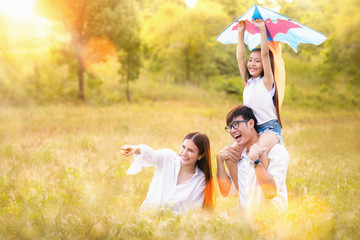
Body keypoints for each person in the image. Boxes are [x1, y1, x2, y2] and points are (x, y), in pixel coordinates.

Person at [217, 105, 289, 217]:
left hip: (273, 223)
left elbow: (271, 192)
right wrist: (220, 161)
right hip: (248, 226)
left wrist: (256, 161)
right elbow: (226, 192)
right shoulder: (239, 156)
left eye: (235, 125)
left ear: (251, 123)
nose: (232, 130)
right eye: (230, 127)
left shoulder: (276, 151)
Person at [121, 132, 214, 213]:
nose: (184, 153)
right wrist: (136, 149)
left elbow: (193, 210)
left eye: (190, 150)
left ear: (201, 155)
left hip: (171, 228)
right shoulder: (168, 157)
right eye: (183, 147)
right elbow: (152, 155)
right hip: (146, 219)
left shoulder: (200, 180)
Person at [236, 19, 283, 170]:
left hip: (270, 129)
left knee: (254, 154)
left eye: (257, 61)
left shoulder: (267, 81)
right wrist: (240, 33)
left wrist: (262, 30)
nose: (252, 64)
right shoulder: (248, 82)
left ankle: (268, 183)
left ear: (265, 65)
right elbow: (240, 58)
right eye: (251, 60)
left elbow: (264, 54)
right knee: (233, 153)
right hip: (252, 129)